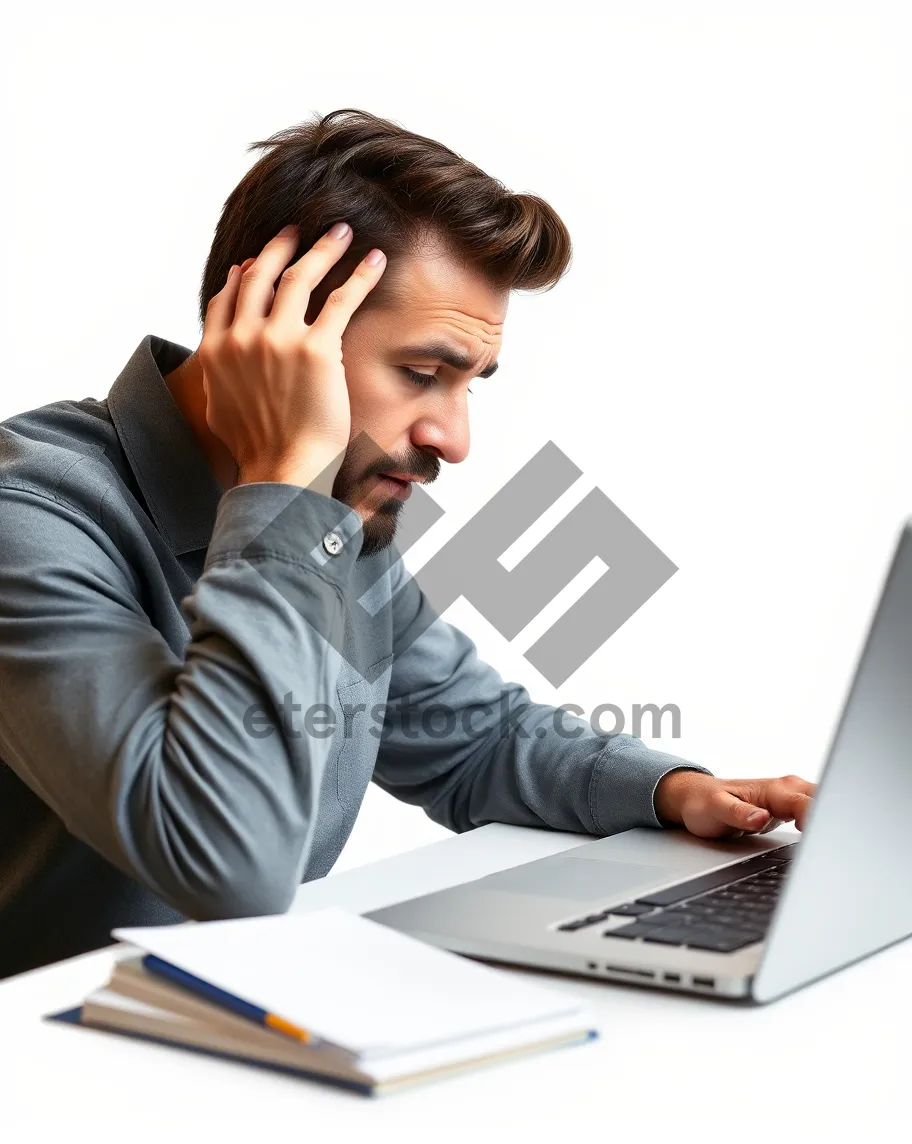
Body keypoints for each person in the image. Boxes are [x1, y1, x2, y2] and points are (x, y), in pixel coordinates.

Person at [0, 109, 816, 979]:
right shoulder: (33, 519)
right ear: (276, 329)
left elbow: (470, 738)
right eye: (421, 375)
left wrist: (674, 794)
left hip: (223, 1028)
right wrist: (279, 486)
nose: (453, 438)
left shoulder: (334, 512)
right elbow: (227, 866)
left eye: (470, 384)